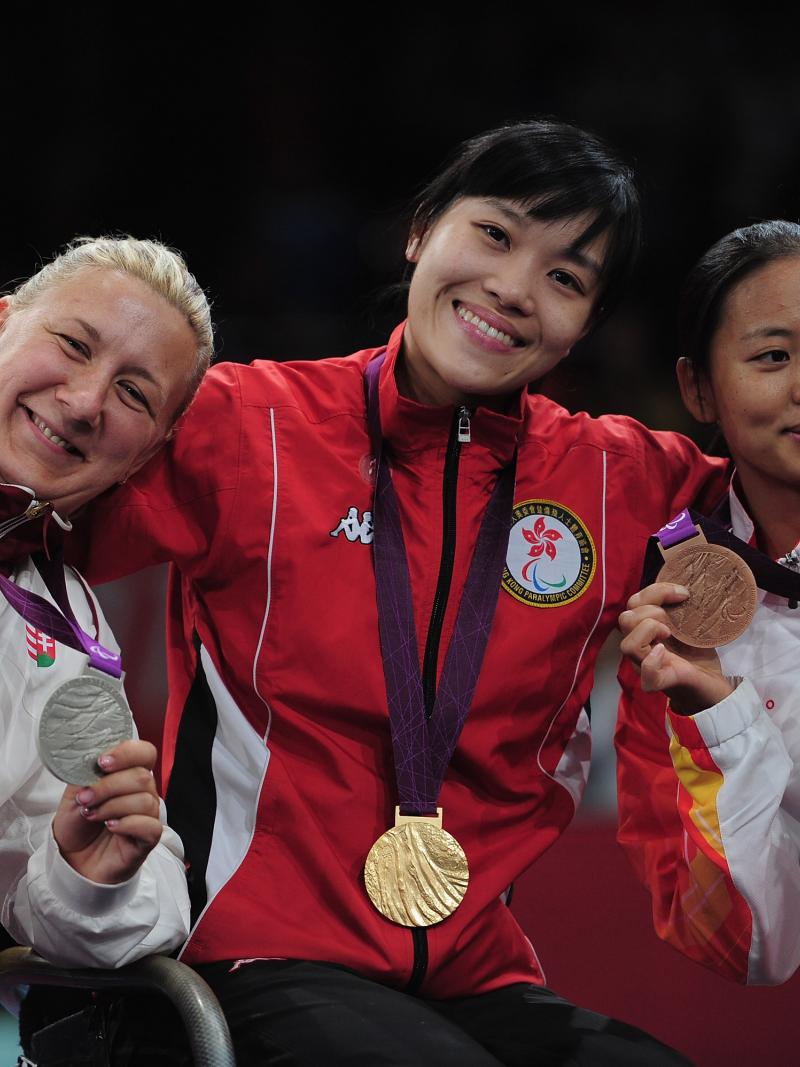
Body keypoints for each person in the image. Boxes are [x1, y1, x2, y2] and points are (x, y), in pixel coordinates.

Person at [74, 121, 727, 1065]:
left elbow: (773, 512)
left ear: (587, 324)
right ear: (422, 230)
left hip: (479, 975)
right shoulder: (246, 425)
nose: (512, 288)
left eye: (566, 277)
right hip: (246, 956)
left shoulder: (619, 481)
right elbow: (44, 499)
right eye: (496, 235)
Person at [0, 235, 212, 969]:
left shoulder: (68, 632)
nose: (86, 402)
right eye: (73, 343)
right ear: (2, 322)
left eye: (133, 393)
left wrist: (84, 875)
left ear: (148, 452)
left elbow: (68, 904)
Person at [617, 220, 800, 986]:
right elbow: (756, 947)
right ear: (697, 388)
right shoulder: (683, 634)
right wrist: (717, 712)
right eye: (773, 357)